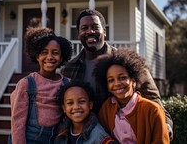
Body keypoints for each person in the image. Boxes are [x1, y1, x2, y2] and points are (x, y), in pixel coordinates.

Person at [62, 8, 173, 140]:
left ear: (104, 31)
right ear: (79, 33)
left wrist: (166, 123)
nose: (90, 31)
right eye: (84, 28)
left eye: (95, 27)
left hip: (118, 135)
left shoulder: (124, 62)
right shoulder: (69, 68)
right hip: (85, 137)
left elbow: (152, 96)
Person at [10, 26, 72, 144]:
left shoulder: (67, 84)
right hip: (30, 139)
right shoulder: (26, 84)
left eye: (55, 53)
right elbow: (18, 123)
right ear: (37, 56)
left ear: (62, 57)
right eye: (44, 52)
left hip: (56, 139)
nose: (49, 57)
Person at [93, 48, 170, 144]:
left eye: (122, 78)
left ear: (133, 81)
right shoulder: (106, 109)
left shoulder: (153, 110)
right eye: (111, 80)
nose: (116, 83)